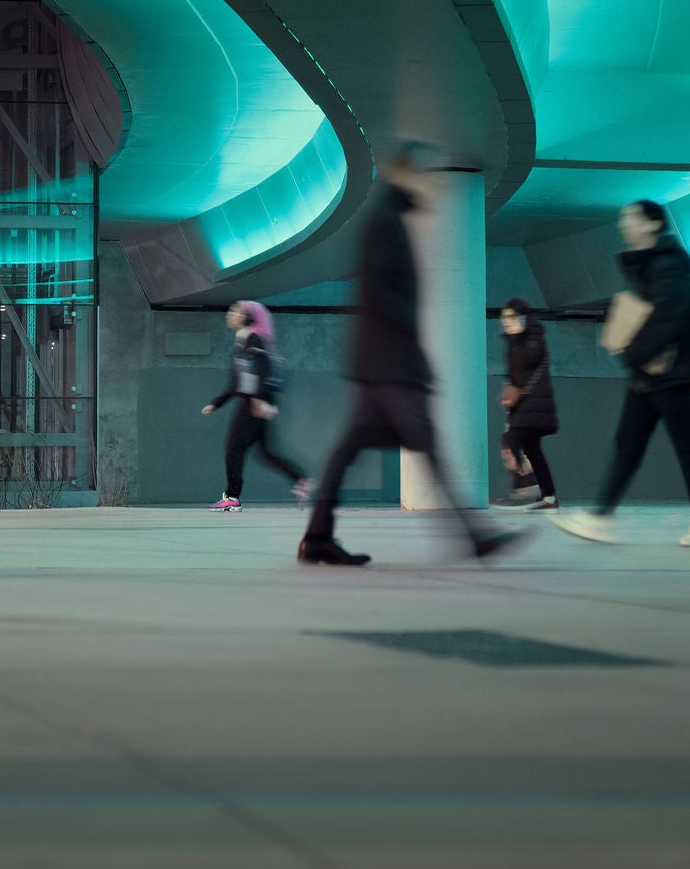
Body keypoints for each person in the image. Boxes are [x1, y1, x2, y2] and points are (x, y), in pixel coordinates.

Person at [299, 144, 522, 566]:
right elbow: (382, 294)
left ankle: (317, 538)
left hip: (381, 361)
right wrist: (413, 348)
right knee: (426, 447)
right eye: (428, 173)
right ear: (407, 174)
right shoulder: (385, 221)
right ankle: (474, 537)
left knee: (348, 452)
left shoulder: (388, 217)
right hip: (391, 363)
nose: (435, 181)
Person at [549, 201, 690, 548]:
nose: (623, 224)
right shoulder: (648, 265)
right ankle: (601, 517)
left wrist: (632, 352)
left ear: (653, 223)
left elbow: (670, 316)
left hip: (672, 370)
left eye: (631, 218)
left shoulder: (668, 264)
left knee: (687, 449)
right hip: (650, 370)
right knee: (628, 444)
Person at [200, 300, 311, 511]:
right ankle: (300, 479)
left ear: (248, 317)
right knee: (266, 451)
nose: (230, 314)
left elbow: (261, 369)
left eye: (236, 311)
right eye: (231, 310)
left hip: (254, 402)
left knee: (233, 448)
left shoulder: (253, 339)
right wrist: (216, 404)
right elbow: (237, 383)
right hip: (256, 399)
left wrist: (259, 400)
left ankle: (232, 497)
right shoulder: (244, 340)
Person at [492, 298, 558, 511]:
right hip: (524, 402)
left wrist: (515, 338)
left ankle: (523, 489)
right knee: (533, 451)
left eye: (512, 317)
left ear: (523, 316)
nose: (508, 322)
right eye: (505, 318)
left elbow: (527, 360)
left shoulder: (534, 335)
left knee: (514, 439)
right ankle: (548, 497)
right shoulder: (516, 339)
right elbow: (514, 372)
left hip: (534, 401)